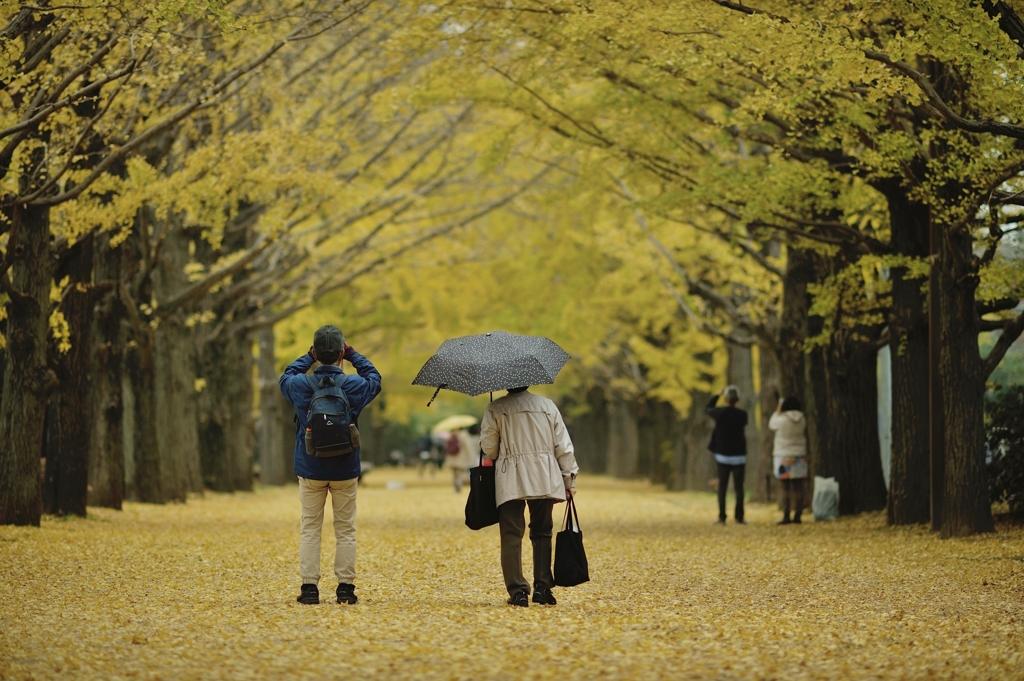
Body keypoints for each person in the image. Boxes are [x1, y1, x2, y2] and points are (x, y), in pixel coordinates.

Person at [279, 325, 381, 606]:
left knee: (310, 527)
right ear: (340, 354)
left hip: (310, 466)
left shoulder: (301, 385)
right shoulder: (354, 385)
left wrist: (307, 358)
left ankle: (309, 588)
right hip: (345, 467)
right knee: (345, 528)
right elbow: (374, 378)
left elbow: (285, 377)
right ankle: (345, 588)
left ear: (316, 352)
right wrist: (355, 355)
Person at [480, 387, 578, 607]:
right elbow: (563, 445)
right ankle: (543, 587)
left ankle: (518, 591)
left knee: (511, 534)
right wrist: (569, 480)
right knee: (542, 531)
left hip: (510, 477)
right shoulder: (547, 406)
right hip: (544, 474)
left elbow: (490, 449)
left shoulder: (496, 407)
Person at [706, 385, 748, 525]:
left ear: (726, 399)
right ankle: (739, 517)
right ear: (738, 399)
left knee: (722, 487)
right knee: (739, 488)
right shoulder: (742, 415)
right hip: (738, 456)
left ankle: (722, 517)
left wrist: (717, 395)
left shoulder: (719, 413)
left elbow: (708, 409)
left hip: (723, 455)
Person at [770, 396, 809, 524]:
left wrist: (778, 410)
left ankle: (786, 514)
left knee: (784, 487)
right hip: (799, 455)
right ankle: (798, 514)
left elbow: (771, 424)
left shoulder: (781, 420)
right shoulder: (802, 419)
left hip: (783, 456)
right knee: (798, 487)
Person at [447, 424, 479, 493]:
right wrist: (471, 457)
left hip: (452, 458)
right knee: (460, 473)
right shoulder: (464, 435)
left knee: (454, 474)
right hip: (461, 458)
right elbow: (468, 447)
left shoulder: (451, 434)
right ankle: (458, 486)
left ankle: (455, 487)